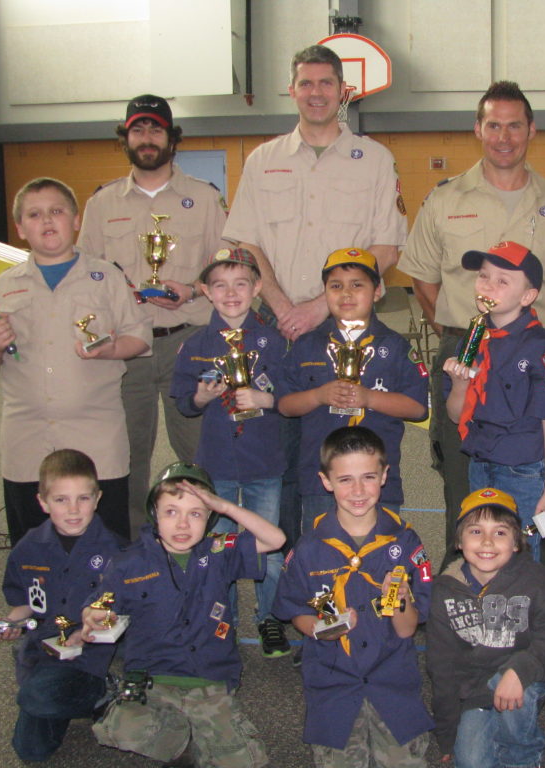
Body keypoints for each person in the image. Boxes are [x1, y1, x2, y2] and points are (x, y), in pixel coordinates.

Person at [400, 80, 545, 579]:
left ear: (531, 130)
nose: (504, 136)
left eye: (515, 125)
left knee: (539, 486)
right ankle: (462, 595)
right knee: (462, 481)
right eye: (494, 125)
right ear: (478, 129)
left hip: (533, 357)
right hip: (463, 353)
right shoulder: (445, 200)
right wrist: (463, 332)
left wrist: (541, 324)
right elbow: (422, 276)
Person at [221, 44, 407, 550]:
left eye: (326, 82)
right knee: (278, 456)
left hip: (347, 328)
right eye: (306, 83)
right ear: (292, 89)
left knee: (352, 453)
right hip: (277, 326)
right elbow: (247, 242)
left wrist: (321, 306)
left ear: (344, 90)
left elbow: (385, 248)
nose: (316, 92)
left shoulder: (374, 160)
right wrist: (282, 305)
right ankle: (292, 574)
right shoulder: (264, 160)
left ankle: (364, 568)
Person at [77, 93, 228, 535]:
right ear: (126, 137)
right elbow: (87, 275)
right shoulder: (103, 203)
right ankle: (130, 551)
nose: (147, 138)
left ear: (171, 138)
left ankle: (204, 551)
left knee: (201, 452)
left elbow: (227, 267)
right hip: (128, 350)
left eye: (155, 129)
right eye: (138, 129)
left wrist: (193, 288)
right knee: (125, 456)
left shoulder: (203, 199)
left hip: (190, 343)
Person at [0, 177, 151, 543]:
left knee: (106, 544)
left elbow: (140, 337)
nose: (47, 221)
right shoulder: (6, 284)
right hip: (28, 437)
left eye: (57, 211)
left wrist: (110, 349)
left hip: (96, 437)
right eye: (34, 215)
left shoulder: (107, 278)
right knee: (33, 544)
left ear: (76, 219)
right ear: (21, 228)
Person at [84, 461, 284, 768]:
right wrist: (94, 615)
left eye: (195, 514)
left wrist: (226, 506)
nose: (182, 525)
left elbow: (276, 540)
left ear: (210, 519)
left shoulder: (219, 552)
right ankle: (185, 743)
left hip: (210, 680)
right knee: (121, 729)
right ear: (154, 514)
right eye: (171, 512)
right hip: (154, 679)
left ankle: (199, 737)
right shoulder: (129, 563)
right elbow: (102, 606)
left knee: (244, 761)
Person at [272, 426, 433, 766]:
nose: (358, 491)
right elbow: (295, 610)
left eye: (368, 477)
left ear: (385, 476)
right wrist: (320, 627)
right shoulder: (309, 548)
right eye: (345, 480)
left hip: (393, 684)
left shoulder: (404, 543)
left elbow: (407, 629)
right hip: (334, 684)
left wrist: (402, 599)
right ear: (326, 481)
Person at [170, 246, 290, 658]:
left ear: (257, 287)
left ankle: (269, 617)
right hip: (217, 462)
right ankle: (222, 619)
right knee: (216, 548)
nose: (231, 293)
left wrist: (265, 397)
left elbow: (290, 395)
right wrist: (202, 397)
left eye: (241, 283)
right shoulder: (195, 344)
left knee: (268, 548)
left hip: (263, 461)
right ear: (204, 290)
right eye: (220, 285)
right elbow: (183, 402)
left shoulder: (274, 342)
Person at [276, 248, 428, 531]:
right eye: (336, 286)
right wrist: (317, 396)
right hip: (320, 479)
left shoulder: (396, 348)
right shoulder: (307, 345)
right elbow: (284, 404)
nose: (346, 294)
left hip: (379, 481)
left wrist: (370, 398)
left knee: (380, 552)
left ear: (378, 290)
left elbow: (418, 408)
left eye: (357, 284)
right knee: (321, 553)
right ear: (325, 293)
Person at [427, 487, 545, 767]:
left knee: (515, 698)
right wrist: (447, 735)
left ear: (517, 543)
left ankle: (524, 755)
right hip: (476, 692)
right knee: (470, 761)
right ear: (458, 541)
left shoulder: (541, 582)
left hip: (529, 677)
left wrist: (519, 671)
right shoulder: (445, 591)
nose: (487, 542)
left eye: (500, 533)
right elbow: (441, 667)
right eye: (475, 531)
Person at [443, 241, 545, 571]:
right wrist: (460, 383)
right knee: (482, 550)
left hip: (523, 471)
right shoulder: (472, 338)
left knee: (520, 555)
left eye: (503, 280)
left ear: (527, 296)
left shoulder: (542, 346)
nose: (488, 285)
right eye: (483, 276)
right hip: (479, 463)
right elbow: (457, 415)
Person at [0, 449, 124, 762]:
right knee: (31, 749)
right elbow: (26, 603)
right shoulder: (28, 549)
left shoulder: (117, 551)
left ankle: (105, 690)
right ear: (43, 502)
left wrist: (93, 628)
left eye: (83, 498)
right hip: (48, 653)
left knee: (36, 696)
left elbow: (125, 611)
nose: (74, 510)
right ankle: (95, 702)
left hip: (95, 656)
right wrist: (13, 623)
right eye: (61, 500)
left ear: (98, 498)